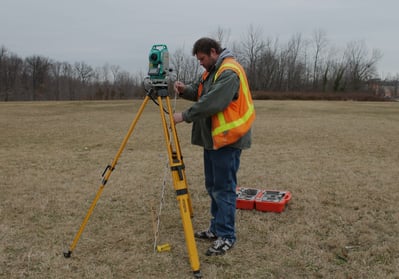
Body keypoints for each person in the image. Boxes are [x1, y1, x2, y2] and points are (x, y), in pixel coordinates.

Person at [173, 37, 255, 256]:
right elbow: (202, 94)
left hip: (228, 140)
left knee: (224, 189)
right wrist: (183, 90)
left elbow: (212, 102)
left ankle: (227, 236)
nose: (200, 63)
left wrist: (183, 116)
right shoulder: (212, 71)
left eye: (202, 59)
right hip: (214, 140)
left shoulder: (229, 72)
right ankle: (216, 229)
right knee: (213, 186)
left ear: (212, 52)